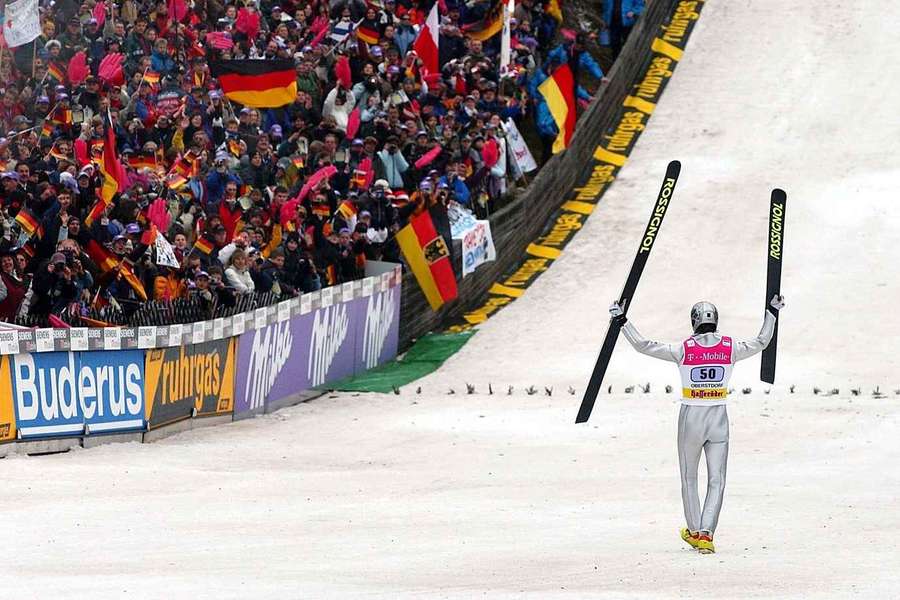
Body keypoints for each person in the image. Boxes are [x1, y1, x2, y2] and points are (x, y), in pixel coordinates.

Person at [609, 294, 786, 554]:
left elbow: (644, 345)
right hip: (719, 416)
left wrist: (622, 320)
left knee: (689, 477)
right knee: (717, 479)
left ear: (694, 321)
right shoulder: (730, 347)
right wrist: (772, 311)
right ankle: (707, 534)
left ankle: (694, 531)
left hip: (691, 415)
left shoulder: (683, 348)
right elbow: (761, 341)